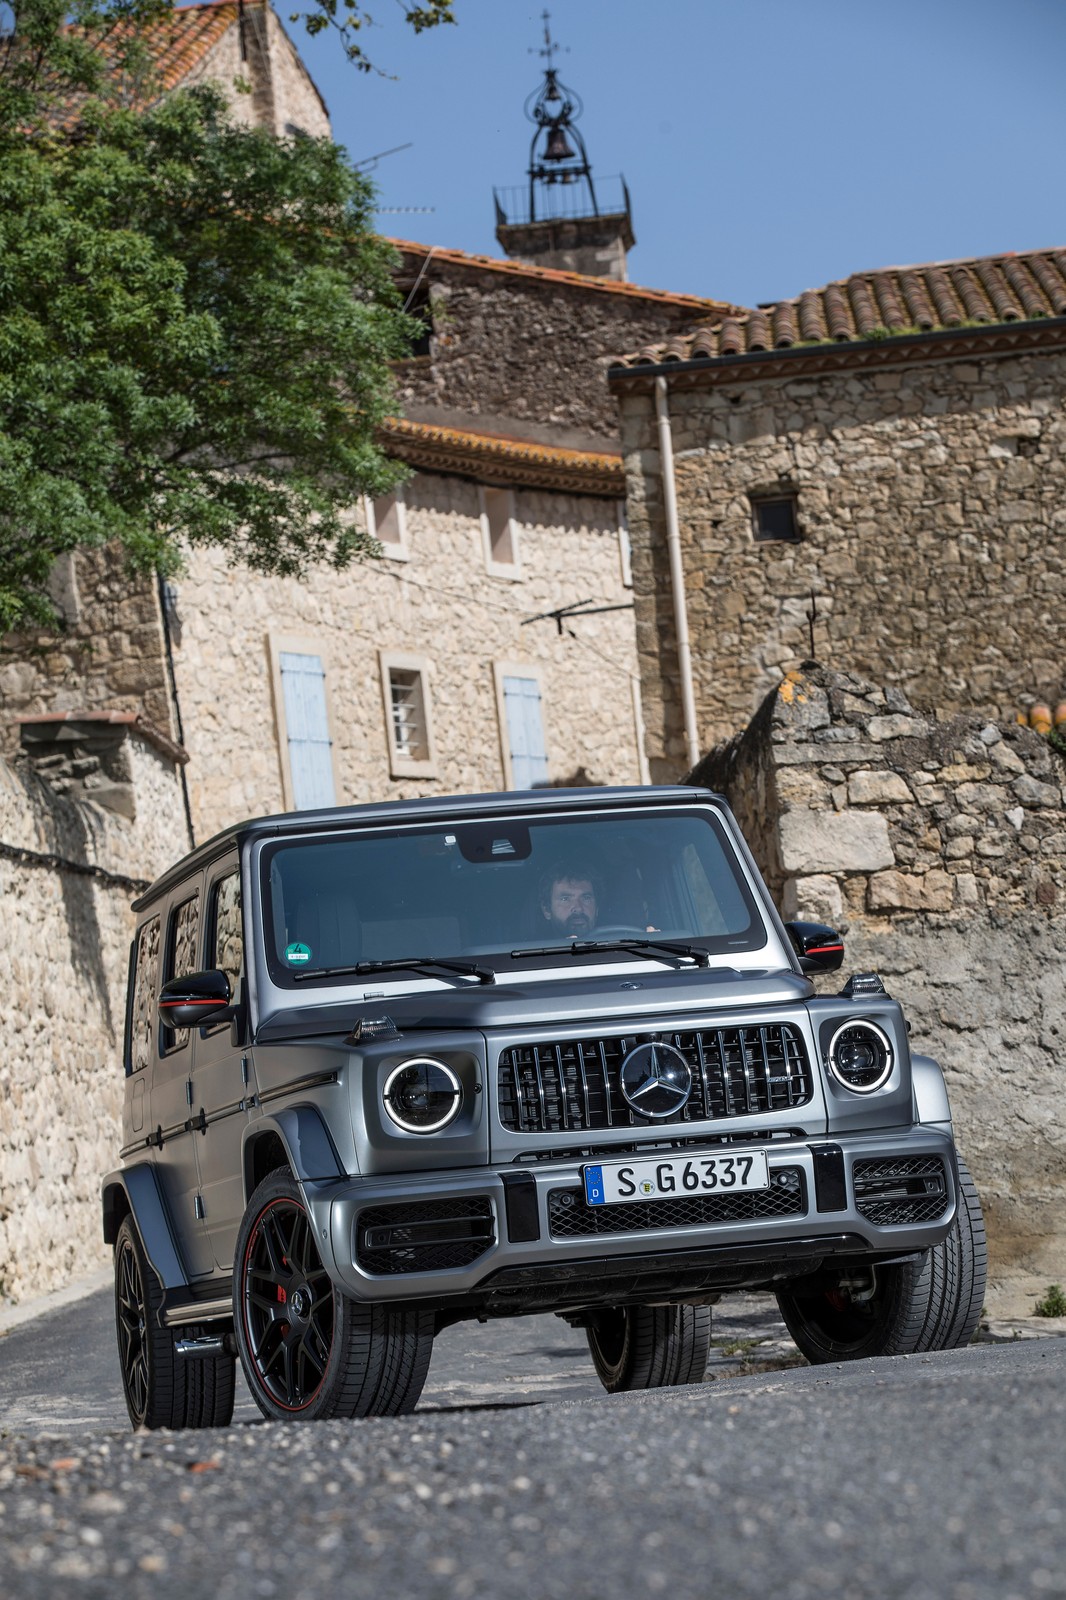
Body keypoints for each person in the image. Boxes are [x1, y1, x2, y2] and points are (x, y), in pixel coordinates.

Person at [539, 861, 600, 938]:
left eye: (586, 898)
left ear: (597, 908)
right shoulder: (529, 949)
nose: (578, 908)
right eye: (565, 899)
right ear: (546, 910)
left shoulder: (617, 943)